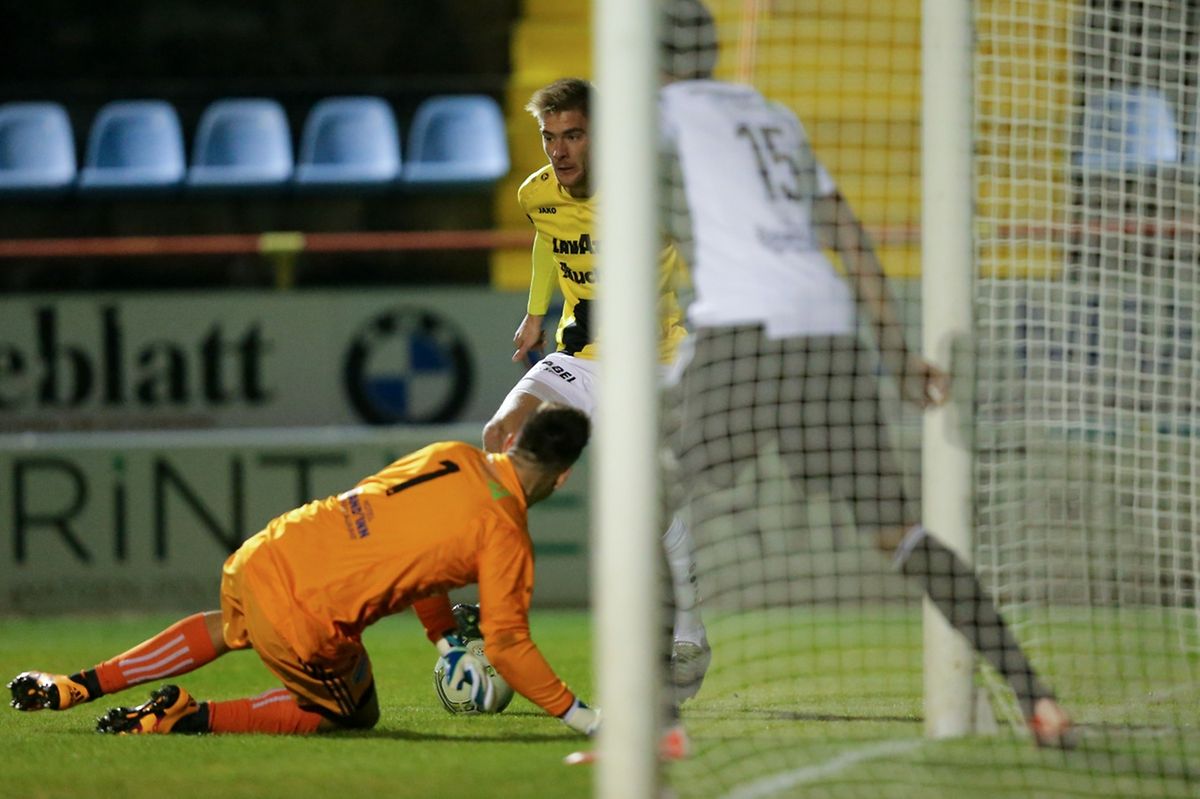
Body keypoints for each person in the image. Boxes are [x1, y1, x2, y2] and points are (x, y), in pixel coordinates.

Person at [659, 0, 1073, 748]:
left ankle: (656, 724)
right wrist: (896, 352)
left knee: (644, 501)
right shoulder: (774, 116)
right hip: (827, 330)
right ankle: (1035, 695)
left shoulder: (658, 115)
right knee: (899, 532)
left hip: (745, 329)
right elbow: (847, 232)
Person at [7, 402, 601, 738]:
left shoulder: (452, 455)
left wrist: (445, 639)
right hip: (307, 619)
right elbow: (508, 644)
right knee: (350, 712)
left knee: (233, 626)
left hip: (267, 551)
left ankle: (78, 684)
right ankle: (188, 716)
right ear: (563, 475)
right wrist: (585, 718)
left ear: (516, 438)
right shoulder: (506, 534)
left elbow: (412, 543)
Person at [482, 76, 710, 703]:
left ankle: (690, 632)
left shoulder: (648, 193)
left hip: (655, 362)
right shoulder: (537, 194)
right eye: (549, 137)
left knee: (651, 499)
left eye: (574, 135)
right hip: (582, 359)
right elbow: (546, 235)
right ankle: (494, 616)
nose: (559, 150)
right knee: (501, 435)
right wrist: (535, 311)